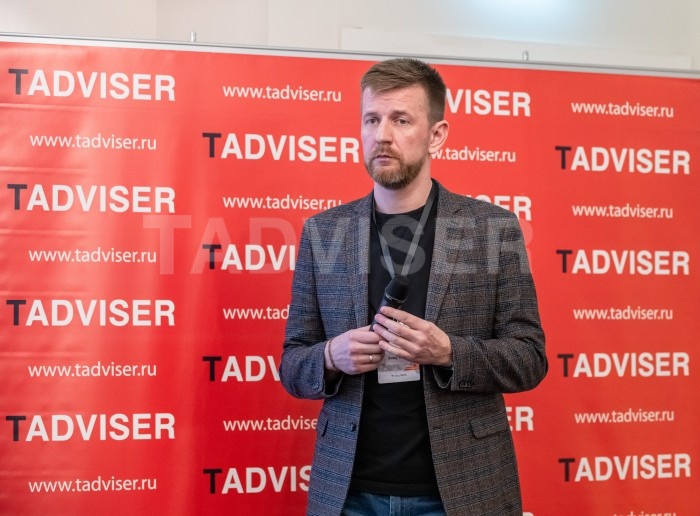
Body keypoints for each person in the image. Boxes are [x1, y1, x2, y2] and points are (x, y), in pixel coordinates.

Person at [280, 57, 547, 516]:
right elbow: (292, 364)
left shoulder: (492, 229)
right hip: (348, 492)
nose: (382, 135)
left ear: (436, 135)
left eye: (401, 120)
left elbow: (530, 358)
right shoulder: (324, 232)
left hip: (464, 490)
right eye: (372, 119)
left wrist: (449, 352)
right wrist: (330, 357)